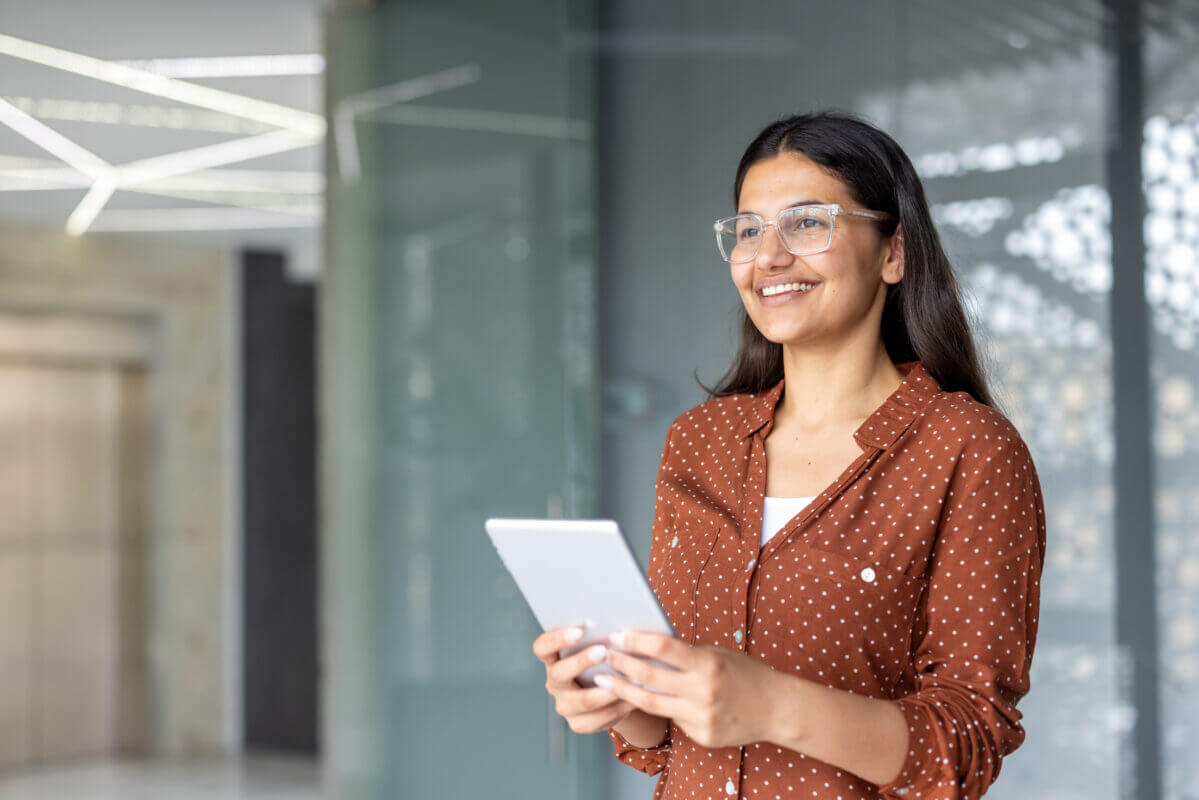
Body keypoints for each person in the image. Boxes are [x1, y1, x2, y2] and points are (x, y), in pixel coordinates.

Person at [532, 110, 1047, 800]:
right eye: (747, 230)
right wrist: (623, 702)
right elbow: (664, 738)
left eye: (807, 224)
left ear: (892, 252)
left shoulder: (966, 449)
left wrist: (770, 703)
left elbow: (966, 744)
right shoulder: (699, 442)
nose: (767, 256)